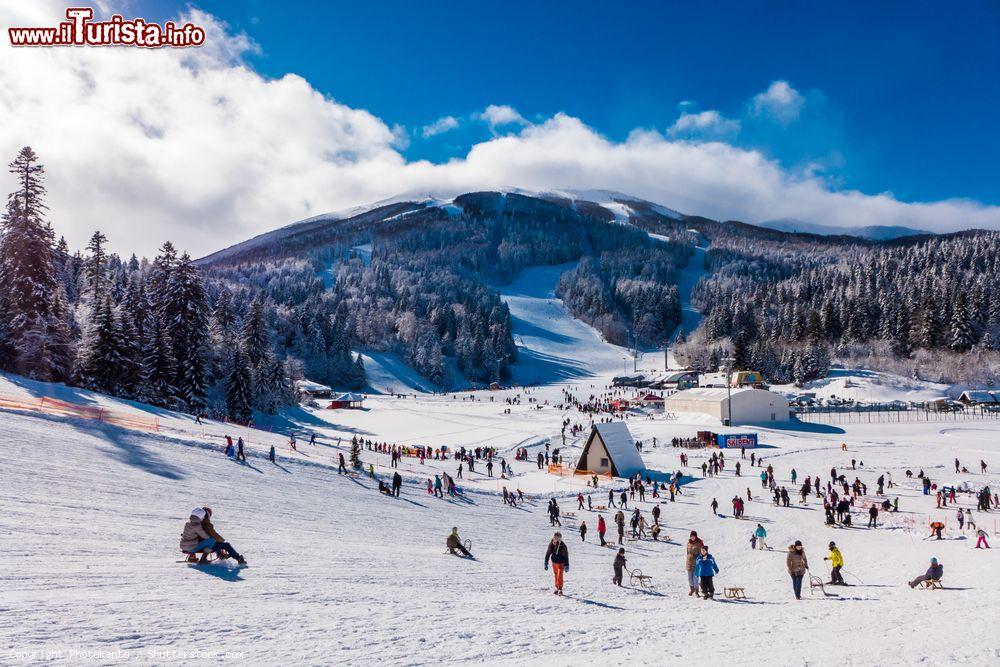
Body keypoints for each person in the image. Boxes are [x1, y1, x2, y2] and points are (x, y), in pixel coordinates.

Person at [179, 507, 247, 566]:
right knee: (224, 544)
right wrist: (222, 540)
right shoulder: (206, 525)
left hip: (192, 545)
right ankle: (238, 558)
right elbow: (212, 537)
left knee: (214, 541)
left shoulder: (191, 523)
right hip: (201, 547)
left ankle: (220, 554)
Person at [685, 531, 704, 596]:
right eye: (691, 536)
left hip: (696, 563)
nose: (692, 537)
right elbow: (687, 552)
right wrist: (688, 558)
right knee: (689, 578)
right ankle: (692, 589)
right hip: (689, 563)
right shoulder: (688, 543)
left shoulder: (698, 544)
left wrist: (695, 556)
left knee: (695, 578)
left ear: (695, 537)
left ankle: (696, 591)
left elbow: (701, 554)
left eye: (693, 536)